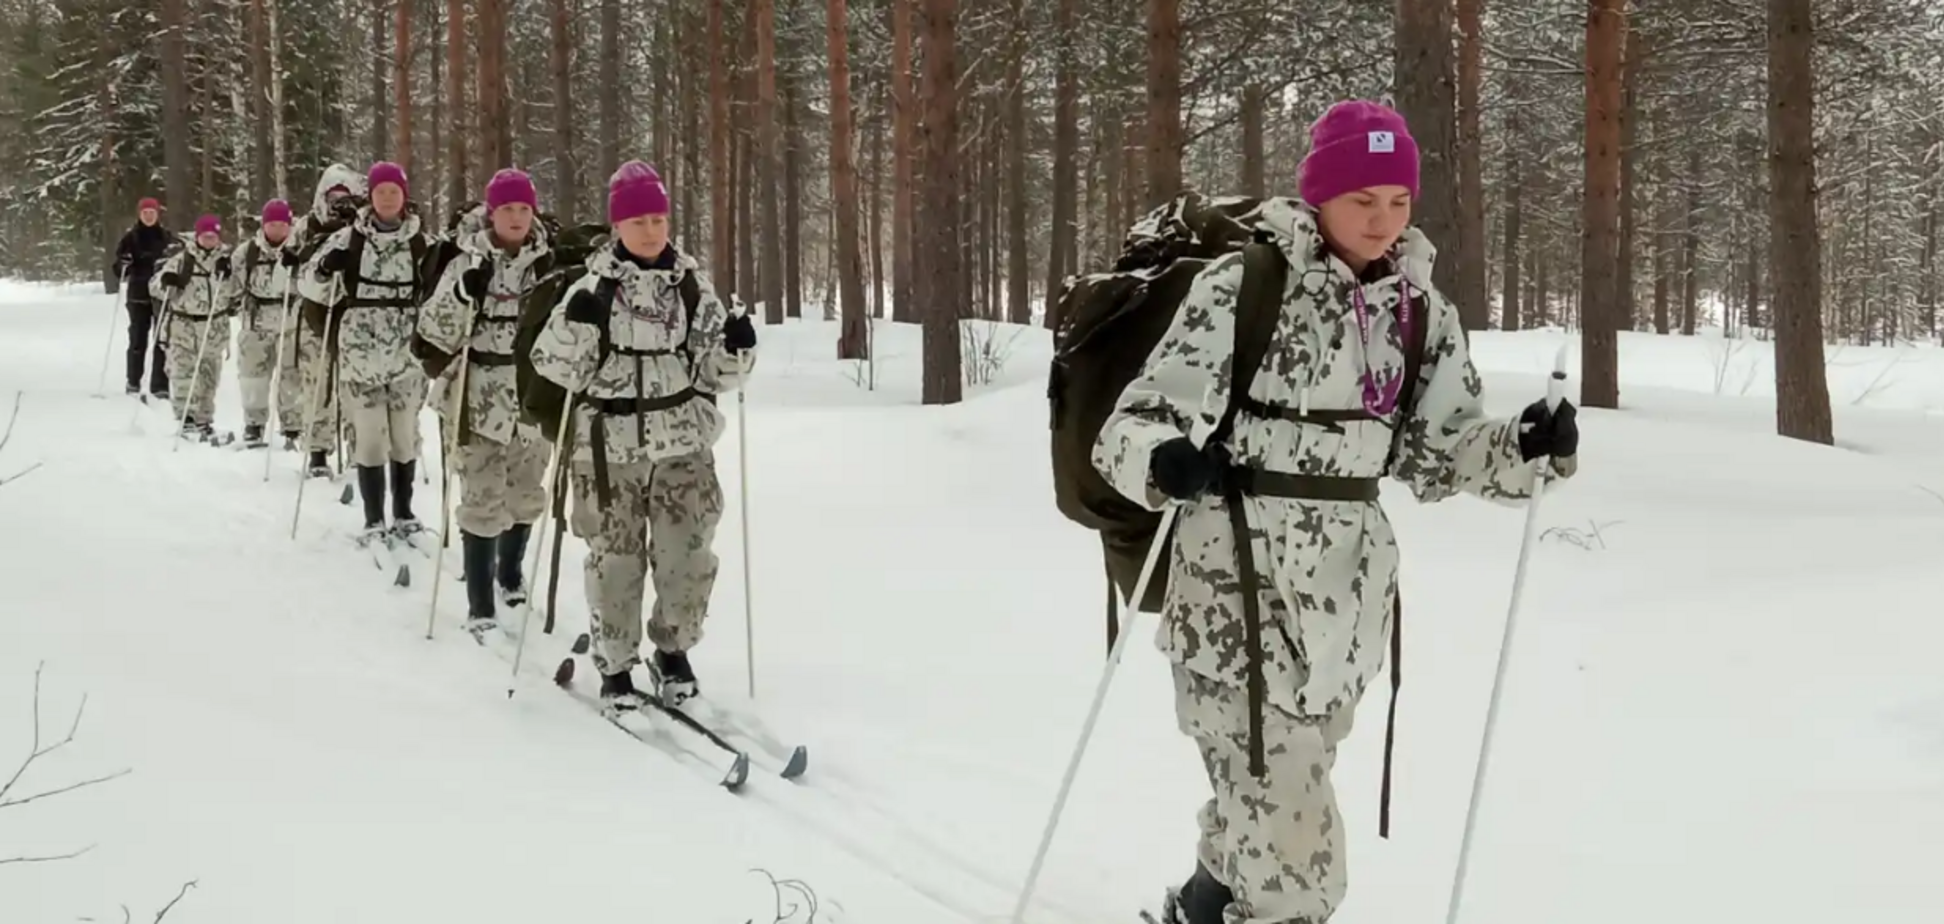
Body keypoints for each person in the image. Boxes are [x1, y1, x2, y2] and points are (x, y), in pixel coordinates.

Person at [1090, 100, 1581, 924]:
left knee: (1273, 794)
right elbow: (1130, 427)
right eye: (1363, 199)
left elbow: (1438, 452)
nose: (1384, 220)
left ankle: (1202, 909)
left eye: (1399, 200)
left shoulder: (1420, 311)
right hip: (1234, 593)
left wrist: (1524, 446)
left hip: (1347, 606)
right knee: (1294, 856)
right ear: (1319, 194)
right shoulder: (1243, 287)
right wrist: (1164, 457)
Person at [528, 161, 757, 708]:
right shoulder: (592, 287)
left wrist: (738, 347)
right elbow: (551, 364)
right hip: (608, 450)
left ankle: (673, 651)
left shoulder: (693, 288)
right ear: (618, 226)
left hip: (684, 446)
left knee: (689, 558)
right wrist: (573, 326)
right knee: (616, 561)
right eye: (639, 221)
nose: (651, 231)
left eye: (658, 219)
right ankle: (615, 666)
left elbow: (717, 374)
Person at [413, 169, 554, 630]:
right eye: (507, 209)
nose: (516, 217)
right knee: (481, 495)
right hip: (475, 393)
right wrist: (461, 294)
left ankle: (509, 573)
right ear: (492, 213)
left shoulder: (549, 264)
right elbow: (431, 333)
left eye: (524, 209)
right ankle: (480, 603)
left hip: (530, 394)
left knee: (526, 490)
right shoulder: (466, 261)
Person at [298, 161, 433, 545]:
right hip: (361, 351)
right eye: (380, 192)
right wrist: (325, 269)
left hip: (407, 352)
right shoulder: (347, 239)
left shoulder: (423, 243)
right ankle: (374, 517)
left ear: (404, 196)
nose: (387, 198)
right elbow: (308, 286)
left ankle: (404, 512)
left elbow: (440, 289)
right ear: (370, 197)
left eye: (394, 191)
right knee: (371, 436)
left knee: (404, 435)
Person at [289, 164, 369, 468]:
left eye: (343, 198)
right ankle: (318, 449)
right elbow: (291, 263)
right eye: (332, 198)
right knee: (317, 383)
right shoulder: (307, 226)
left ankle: (360, 452)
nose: (337, 205)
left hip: (353, 314)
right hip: (315, 313)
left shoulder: (362, 226)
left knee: (354, 386)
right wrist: (293, 259)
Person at [150, 214, 235, 441]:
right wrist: (167, 281)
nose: (209, 240)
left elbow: (236, 292)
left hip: (214, 326)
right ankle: (186, 417)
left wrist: (229, 277)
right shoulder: (181, 260)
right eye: (205, 236)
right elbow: (155, 287)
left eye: (213, 236)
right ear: (197, 237)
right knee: (183, 373)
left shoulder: (227, 261)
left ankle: (204, 420)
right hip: (183, 325)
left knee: (209, 376)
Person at [224, 199, 299, 449]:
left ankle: (293, 426)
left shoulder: (300, 249)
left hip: (290, 321)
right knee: (252, 377)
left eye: (282, 225)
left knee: (292, 376)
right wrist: (223, 276)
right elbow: (232, 288)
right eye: (272, 225)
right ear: (263, 225)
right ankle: (254, 424)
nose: (277, 230)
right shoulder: (247, 253)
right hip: (255, 322)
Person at [113, 197, 173, 399]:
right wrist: (124, 263)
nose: (148, 216)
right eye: (145, 213)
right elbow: (117, 269)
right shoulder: (130, 238)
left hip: (161, 296)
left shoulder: (167, 238)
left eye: (152, 213)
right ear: (139, 214)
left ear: (158, 214)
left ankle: (160, 385)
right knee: (138, 340)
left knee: (161, 341)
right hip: (138, 295)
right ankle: (133, 381)